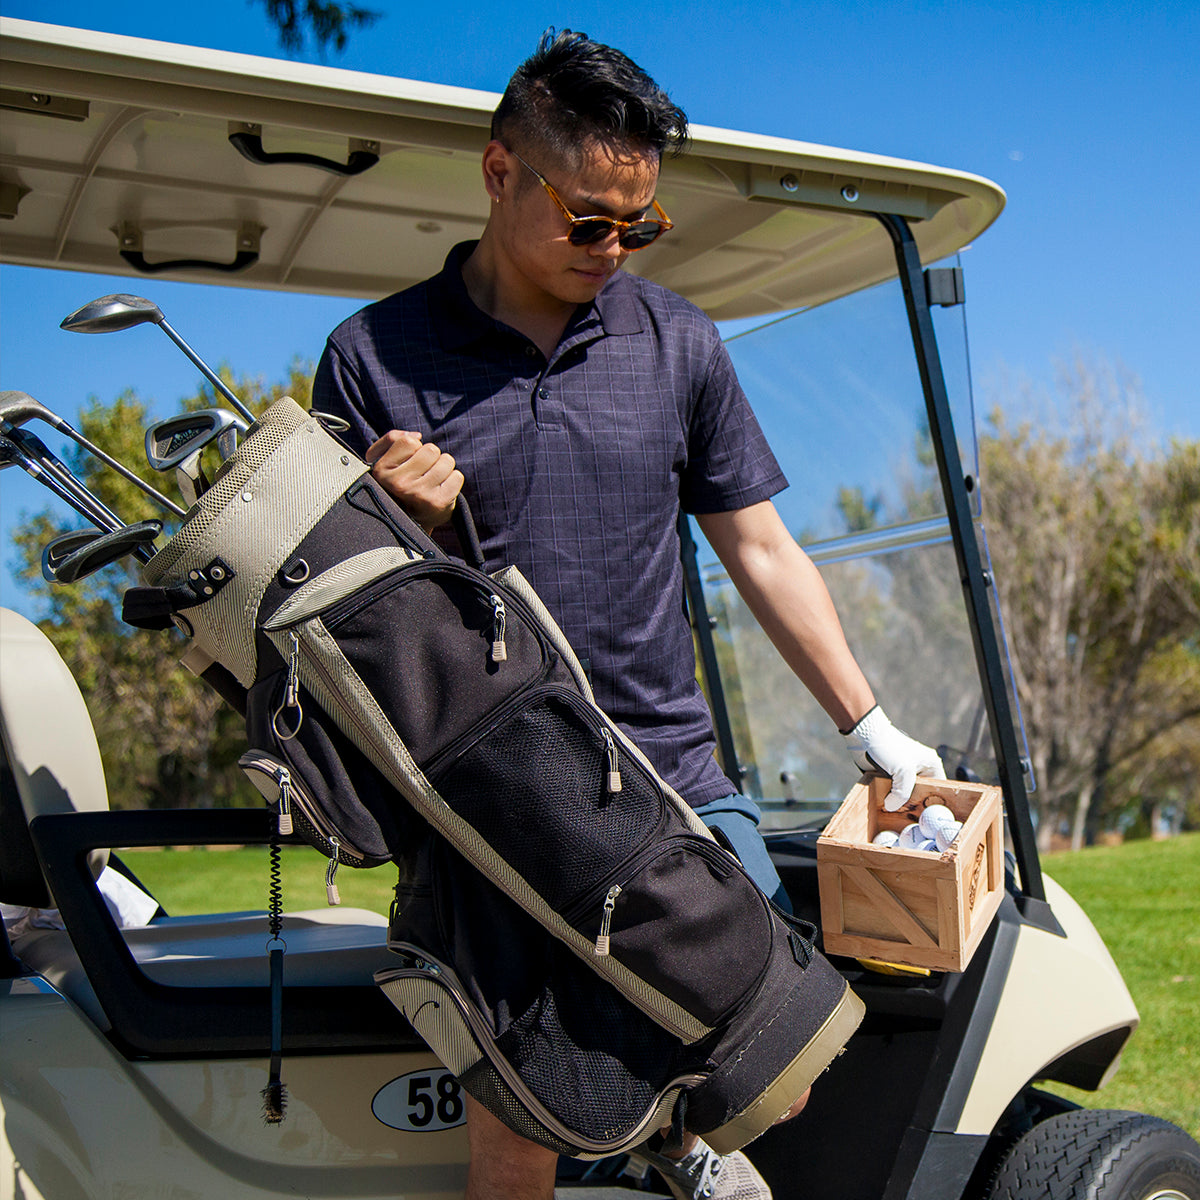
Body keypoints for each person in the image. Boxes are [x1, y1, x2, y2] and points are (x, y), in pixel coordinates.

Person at [313, 29, 945, 1200]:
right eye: (588, 219)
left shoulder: (678, 343)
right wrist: (400, 524)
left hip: (669, 772)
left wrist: (871, 726)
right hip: (490, 796)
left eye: (637, 225)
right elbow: (350, 615)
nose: (613, 249)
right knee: (520, 1134)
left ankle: (677, 1145)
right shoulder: (370, 358)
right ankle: (650, 1147)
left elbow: (758, 546)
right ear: (501, 173)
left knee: (781, 1055)